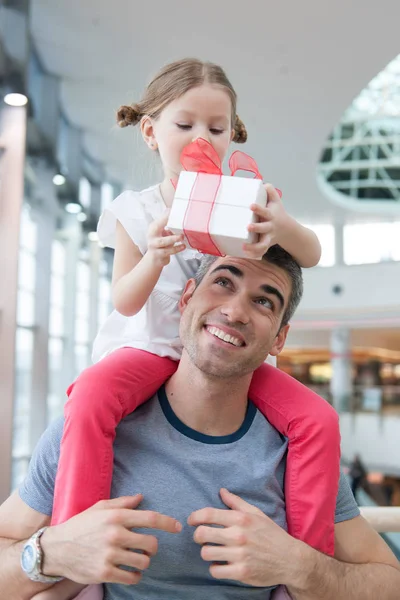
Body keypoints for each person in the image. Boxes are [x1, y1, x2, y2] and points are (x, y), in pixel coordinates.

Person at [46, 59, 340, 557]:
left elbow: (309, 254)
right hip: (154, 349)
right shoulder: (135, 211)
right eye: (184, 125)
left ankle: (305, 560)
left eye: (217, 127)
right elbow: (125, 300)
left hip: (227, 359)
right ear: (151, 132)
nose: (200, 137)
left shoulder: (243, 200)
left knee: (317, 419)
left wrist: (279, 228)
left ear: (232, 136)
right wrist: (156, 256)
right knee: (92, 393)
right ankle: (77, 543)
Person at [0, 247, 399, 600]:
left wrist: (298, 565)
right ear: (186, 298)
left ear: (280, 339)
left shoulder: (297, 454)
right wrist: (52, 552)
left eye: (264, 302)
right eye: (224, 282)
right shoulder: (92, 429)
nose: (236, 311)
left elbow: (389, 582)